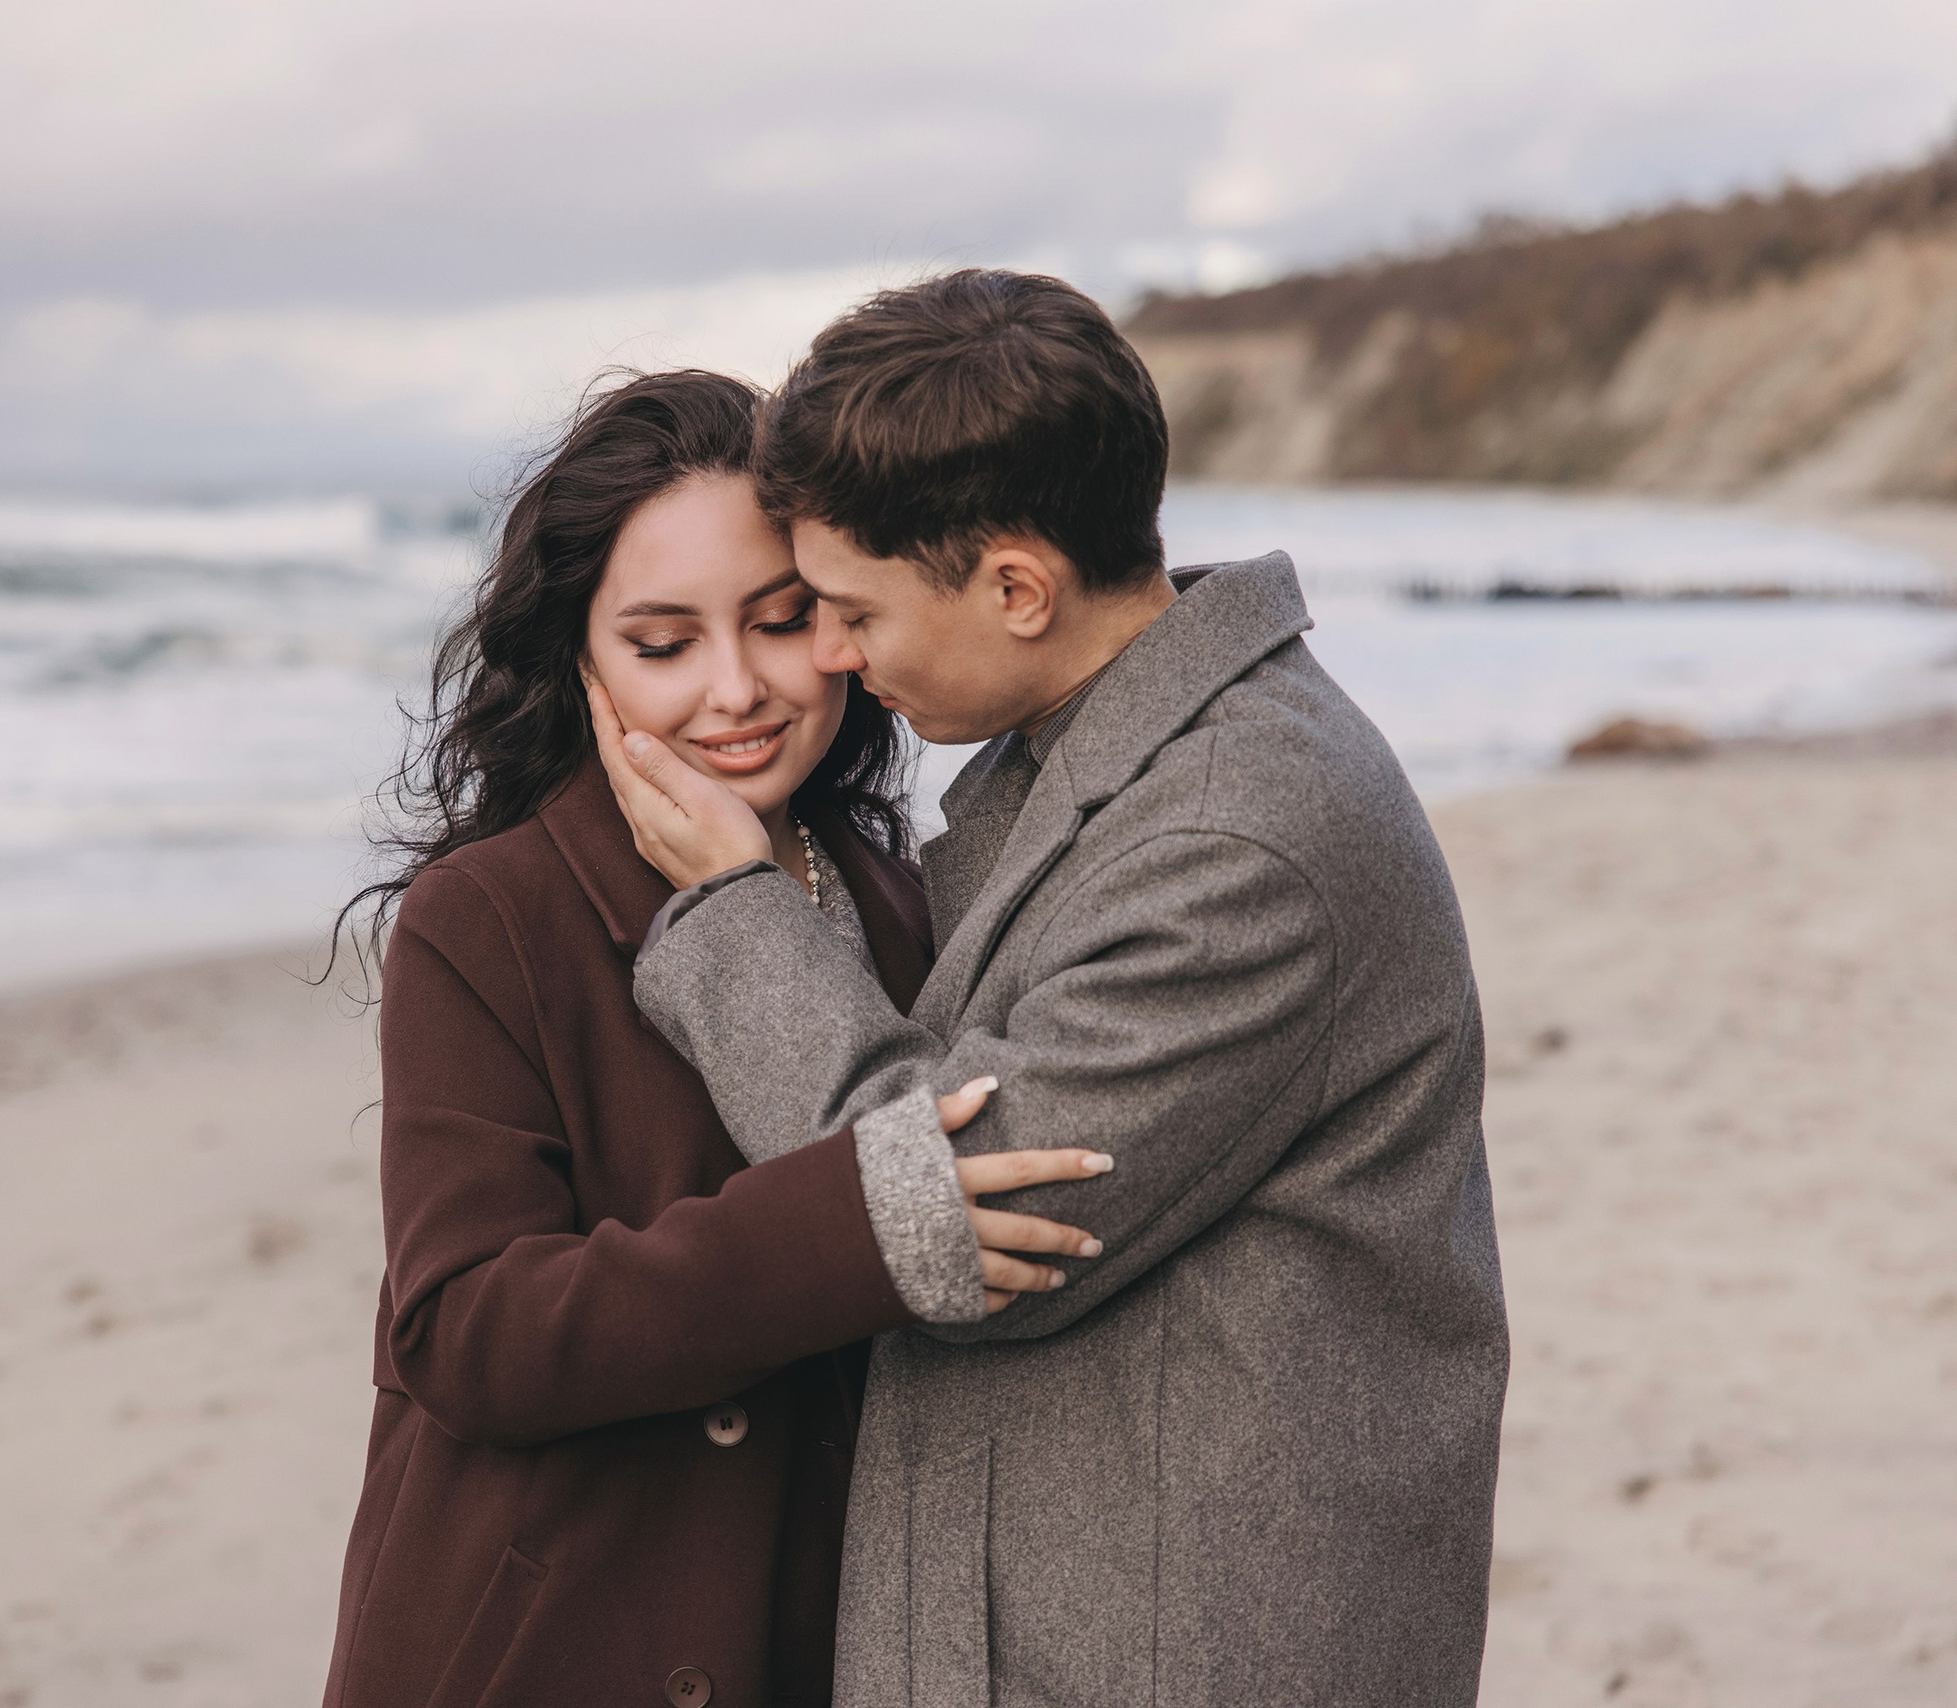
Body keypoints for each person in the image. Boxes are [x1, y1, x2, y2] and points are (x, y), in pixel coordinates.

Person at [591, 274, 1510, 1705]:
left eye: (846, 610)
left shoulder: (1237, 837)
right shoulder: (1126, 747)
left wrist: (728, 905)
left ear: (1017, 588)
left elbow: (944, 1214)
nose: (827, 657)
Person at [323, 369, 1107, 1708]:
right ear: (579, 657)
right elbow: (464, 1331)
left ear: (846, 624)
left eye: (781, 620)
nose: (735, 690)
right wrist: (844, 1229)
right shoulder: (492, 914)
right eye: (662, 641)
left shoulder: (909, 897)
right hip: (544, 1644)